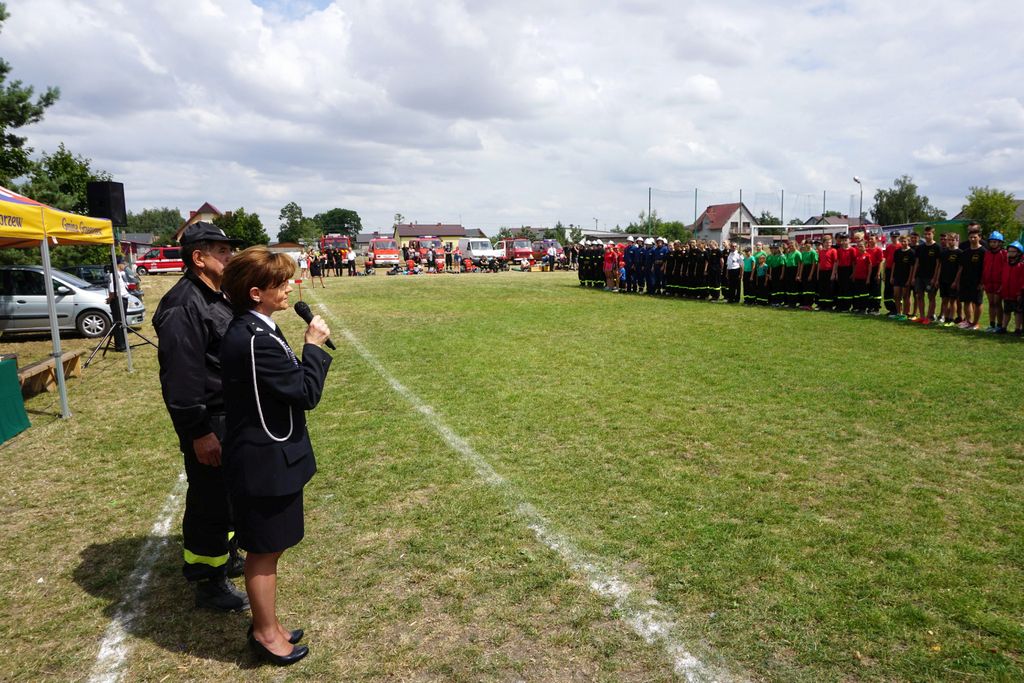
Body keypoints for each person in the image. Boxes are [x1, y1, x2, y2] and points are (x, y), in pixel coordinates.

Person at [219, 246, 333, 666]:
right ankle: (266, 634)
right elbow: (304, 393)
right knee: (264, 551)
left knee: (271, 548)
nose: (288, 288)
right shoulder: (253, 339)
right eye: (279, 283)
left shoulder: (259, 329)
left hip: (269, 456)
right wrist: (313, 347)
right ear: (255, 293)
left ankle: (270, 624)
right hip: (262, 461)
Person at [153, 222, 249, 611]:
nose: (230, 256)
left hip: (232, 416)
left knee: (230, 494)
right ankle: (208, 580)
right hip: (210, 422)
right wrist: (198, 432)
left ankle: (226, 555)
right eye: (222, 251)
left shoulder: (218, 295)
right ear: (198, 258)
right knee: (210, 501)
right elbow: (181, 378)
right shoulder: (183, 306)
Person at [954, 226, 986, 330]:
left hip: (977, 282)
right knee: (966, 301)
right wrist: (957, 281)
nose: (972, 239)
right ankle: (968, 321)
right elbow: (961, 268)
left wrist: (982, 282)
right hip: (965, 281)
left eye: (975, 237)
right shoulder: (965, 252)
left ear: (979, 237)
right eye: (971, 237)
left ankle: (975, 323)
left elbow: (985, 269)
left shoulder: (983, 251)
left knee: (977, 302)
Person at [913, 226, 942, 324]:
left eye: (929, 234)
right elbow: (917, 263)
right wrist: (913, 276)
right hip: (920, 276)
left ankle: (929, 317)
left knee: (931, 297)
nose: (927, 236)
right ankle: (922, 317)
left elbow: (938, 264)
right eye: (925, 234)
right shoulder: (920, 247)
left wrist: (935, 278)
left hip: (931, 277)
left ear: (933, 234)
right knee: (919, 296)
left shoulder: (937, 247)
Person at [982, 230, 1008, 332]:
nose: (993, 244)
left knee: (997, 303)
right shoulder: (987, 253)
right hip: (988, 282)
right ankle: (992, 324)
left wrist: (1003, 283)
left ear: (1000, 243)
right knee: (991, 303)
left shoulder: (1004, 253)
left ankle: (999, 325)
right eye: (991, 242)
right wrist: (983, 281)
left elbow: (1006, 269)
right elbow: (984, 267)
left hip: (999, 283)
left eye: (995, 242)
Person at [890, 234, 916, 321]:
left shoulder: (911, 252)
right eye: (902, 241)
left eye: (905, 241)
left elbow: (912, 267)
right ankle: (898, 313)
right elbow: (894, 264)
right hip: (897, 276)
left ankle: (905, 314)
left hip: (906, 278)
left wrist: (909, 279)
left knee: (906, 296)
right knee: (896, 295)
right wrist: (892, 276)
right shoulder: (897, 252)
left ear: (908, 242)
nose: (903, 243)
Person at [1000, 240, 1024, 335]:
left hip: (1017, 294)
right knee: (1006, 311)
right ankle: (1003, 327)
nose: (1010, 253)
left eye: (1013, 251)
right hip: (1007, 293)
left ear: (1019, 253)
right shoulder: (1006, 264)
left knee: (1018, 312)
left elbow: (1022, 280)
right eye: (1009, 251)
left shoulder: (1021, 265)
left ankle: (1018, 329)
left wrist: (1020, 293)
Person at [106, 258, 130, 351]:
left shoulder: (120, 274)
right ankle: (120, 346)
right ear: (119, 264)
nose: (125, 266)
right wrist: (110, 299)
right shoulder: (113, 275)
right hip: (117, 301)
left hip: (122, 299)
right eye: (124, 264)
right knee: (119, 323)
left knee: (123, 323)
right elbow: (112, 290)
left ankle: (124, 344)